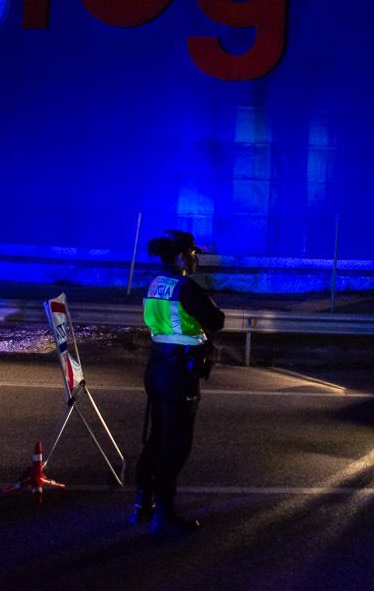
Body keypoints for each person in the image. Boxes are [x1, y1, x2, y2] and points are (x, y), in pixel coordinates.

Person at [131, 229, 225, 535]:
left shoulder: (156, 283)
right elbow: (215, 320)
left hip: (157, 367)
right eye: (194, 253)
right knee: (176, 442)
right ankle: (164, 516)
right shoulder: (185, 287)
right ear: (184, 255)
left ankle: (142, 504)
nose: (196, 258)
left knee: (158, 436)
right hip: (178, 373)